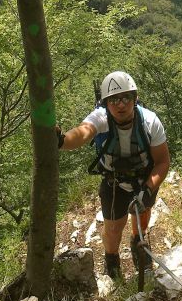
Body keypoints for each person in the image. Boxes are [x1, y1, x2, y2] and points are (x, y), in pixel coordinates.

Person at [58, 71, 170, 279]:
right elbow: (82, 133)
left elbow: (163, 161)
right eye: (114, 100)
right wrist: (62, 141)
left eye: (126, 98)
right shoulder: (100, 118)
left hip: (144, 179)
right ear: (106, 103)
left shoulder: (150, 122)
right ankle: (111, 259)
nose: (120, 104)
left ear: (135, 99)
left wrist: (147, 189)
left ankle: (139, 243)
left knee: (142, 218)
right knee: (113, 228)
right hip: (113, 181)